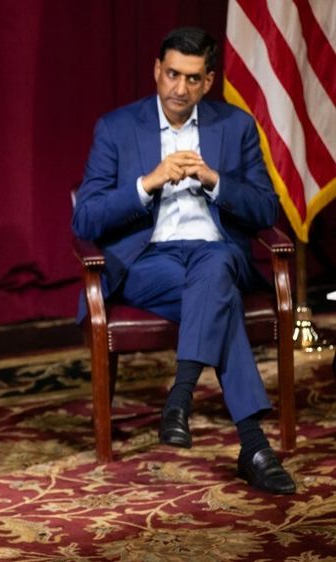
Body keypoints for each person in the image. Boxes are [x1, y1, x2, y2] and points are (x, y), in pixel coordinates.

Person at [72, 27, 295, 495]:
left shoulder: (234, 126)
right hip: (146, 261)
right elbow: (87, 219)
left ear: (208, 81)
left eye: (192, 79)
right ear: (157, 71)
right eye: (172, 74)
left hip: (214, 252)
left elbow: (265, 209)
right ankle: (253, 446)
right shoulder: (116, 127)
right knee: (221, 297)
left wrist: (215, 180)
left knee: (214, 265)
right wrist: (146, 182)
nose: (180, 88)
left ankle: (180, 397)